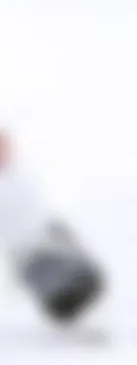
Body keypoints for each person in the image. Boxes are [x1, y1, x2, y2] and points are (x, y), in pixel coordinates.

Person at [0, 130, 103, 325]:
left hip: (49, 238)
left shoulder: (21, 176)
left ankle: (74, 290)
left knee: (78, 273)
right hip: (31, 254)